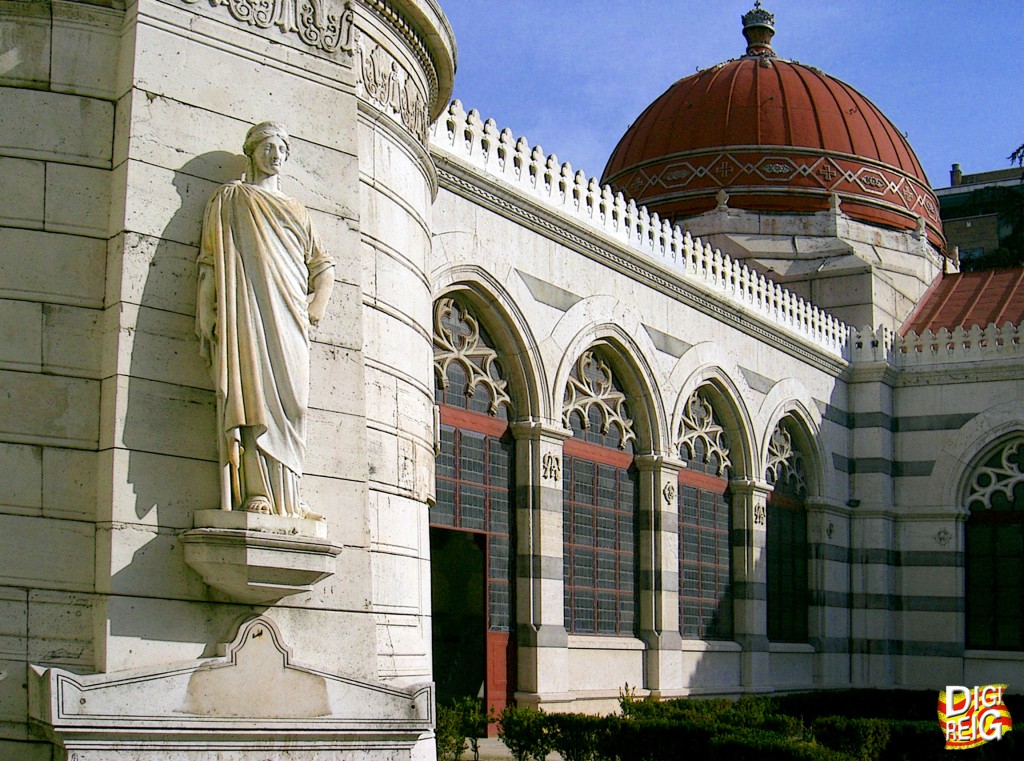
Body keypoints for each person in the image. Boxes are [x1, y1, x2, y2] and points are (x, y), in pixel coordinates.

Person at [196, 122, 334, 518]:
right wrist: (207, 308)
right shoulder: (231, 199)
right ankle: (258, 491)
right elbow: (210, 261)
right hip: (248, 310)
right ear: (252, 151)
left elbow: (323, 267)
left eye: (282, 151)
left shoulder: (298, 211)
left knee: (294, 404)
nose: (276, 156)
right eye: (269, 148)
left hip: (291, 314)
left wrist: (316, 306)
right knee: (252, 395)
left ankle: (291, 494)